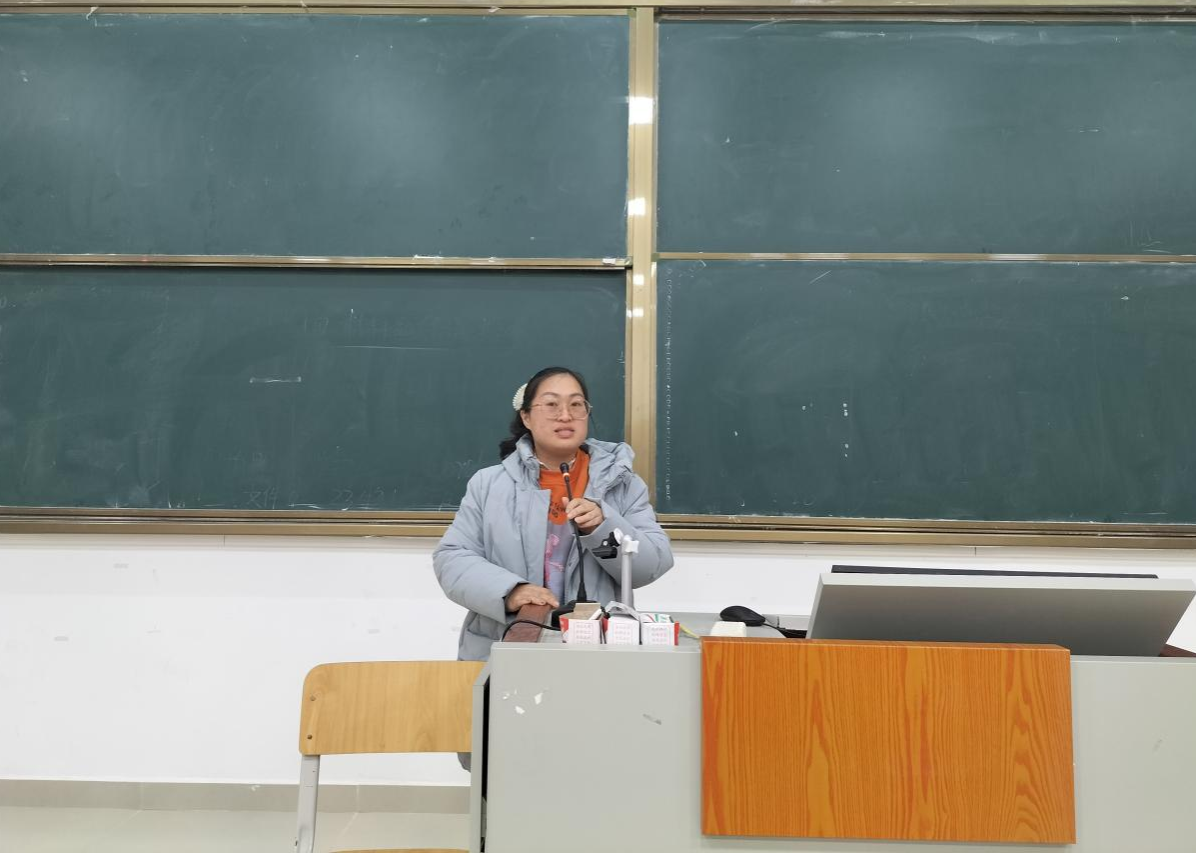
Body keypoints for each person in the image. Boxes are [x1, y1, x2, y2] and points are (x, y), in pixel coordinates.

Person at [433, 366, 674, 661]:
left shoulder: (622, 484)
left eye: (576, 404)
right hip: (509, 644)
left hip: (594, 652)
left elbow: (651, 565)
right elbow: (452, 558)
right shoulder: (489, 484)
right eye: (551, 404)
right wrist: (510, 591)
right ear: (526, 417)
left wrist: (603, 527)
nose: (565, 415)